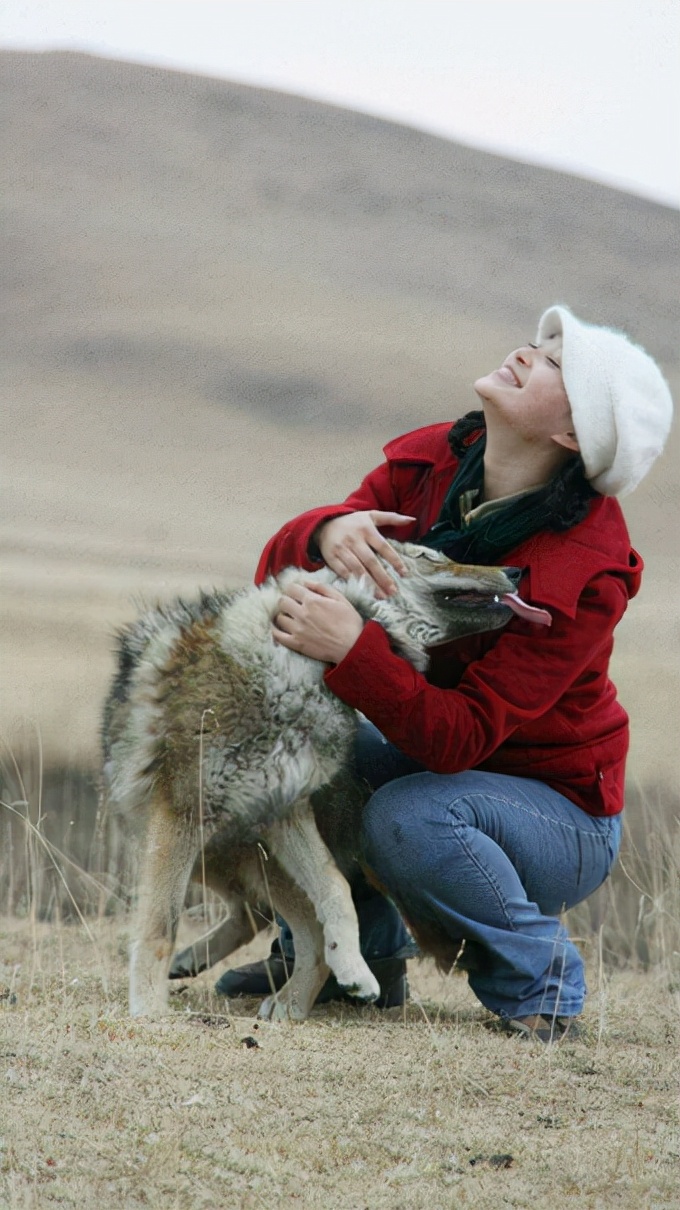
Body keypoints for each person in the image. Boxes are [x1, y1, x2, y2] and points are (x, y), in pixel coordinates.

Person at [216, 305, 672, 1041]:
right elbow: (283, 578)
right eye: (538, 342)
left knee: (410, 815)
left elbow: (459, 742)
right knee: (301, 757)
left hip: (556, 813)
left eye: (557, 363)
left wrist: (353, 649)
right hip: (439, 772)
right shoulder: (429, 465)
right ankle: (348, 959)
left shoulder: (586, 569)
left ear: (573, 435)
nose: (530, 352)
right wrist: (327, 529)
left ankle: (544, 986)